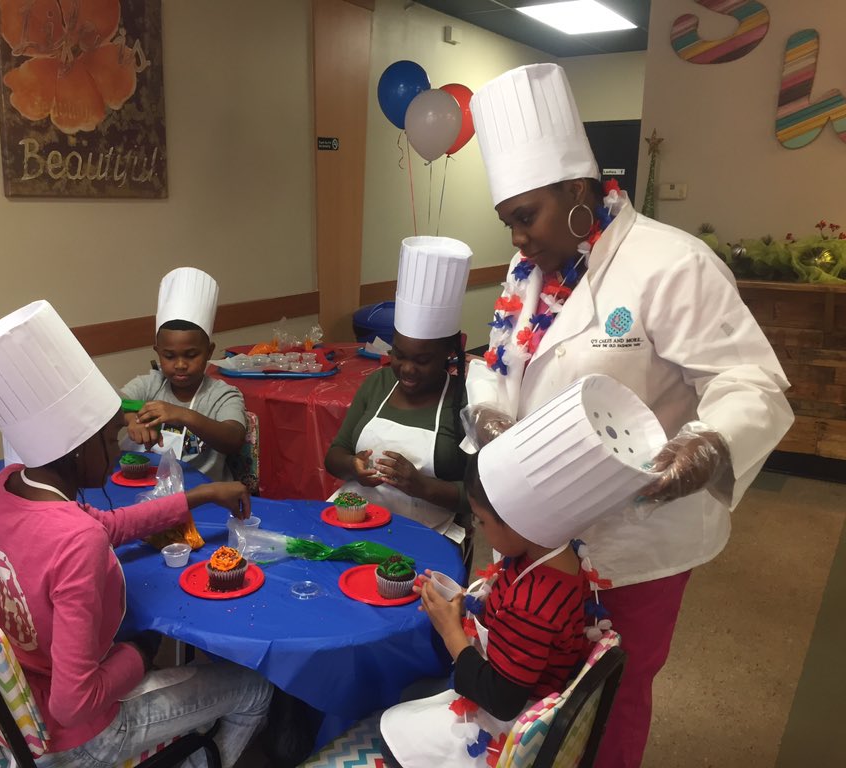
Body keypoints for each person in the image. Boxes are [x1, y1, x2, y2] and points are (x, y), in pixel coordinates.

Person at [464, 63, 794, 767]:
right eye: (508, 222)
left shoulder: (671, 263)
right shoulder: (528, 277)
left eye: (527, 217)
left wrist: (707, 443)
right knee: (530, 689)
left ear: (580, 192)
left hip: (634, 540)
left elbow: (752, 380)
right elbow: (495, 364)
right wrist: (490, 412)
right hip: (534, 534)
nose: (518, 240)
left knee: (608, 698)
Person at [0, 300, 273, 768]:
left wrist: (200, 497)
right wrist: (140, 653)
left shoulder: (8, 488)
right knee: (252, 685)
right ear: (77, 452)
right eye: (107, 441)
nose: (115, 452)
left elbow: (108, 525)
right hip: (78, 738)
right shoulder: (76, 540)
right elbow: (73, 704)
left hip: (17, 703)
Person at [379, 434, 599, 768]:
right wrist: (464, 602)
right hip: (521, 679)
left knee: (391, 730)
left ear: (520, 519)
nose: (478, 529)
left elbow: (502, 699)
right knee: (413, 692)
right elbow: (511, 621)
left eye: (481, 520)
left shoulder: (532, 605)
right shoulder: (556, 553)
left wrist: (450, 630)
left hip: (505, 723)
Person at [325, 236, 474, 557]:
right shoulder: (378, 383)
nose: (407, 369)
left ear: (449, 353)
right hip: (356, 525)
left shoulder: (464, 402)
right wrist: (353, 466)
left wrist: (423, 487)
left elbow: (480, 496)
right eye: (399, 355)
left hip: (427, 537)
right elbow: (334, 455)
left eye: (422, 361)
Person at [121, 267, 247, 481]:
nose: (180, 364)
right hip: (149, 487)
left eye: (191, 355)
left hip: (204, 495)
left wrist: (182, 414)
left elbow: (233, 438)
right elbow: (111, 404)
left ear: (209, 351)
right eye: (169, 356)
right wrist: (132, 419)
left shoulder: (222, 395)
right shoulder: (152, 384)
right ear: (158, 353)